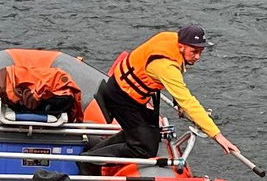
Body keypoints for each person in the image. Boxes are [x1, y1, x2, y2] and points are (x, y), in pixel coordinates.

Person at [95, 25, 241, 164]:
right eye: (194, 51)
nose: (197, 57)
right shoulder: (166, 66)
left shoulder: (170, 38)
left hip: (130, 92)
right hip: (121, 97)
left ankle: (97, 150)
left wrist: (177, 102)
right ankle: (89, 160)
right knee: (144, 148)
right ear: (181, 46)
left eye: (200, 52)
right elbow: (188, 102)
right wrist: (217, 136)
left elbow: (172, 81)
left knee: (149, 134)